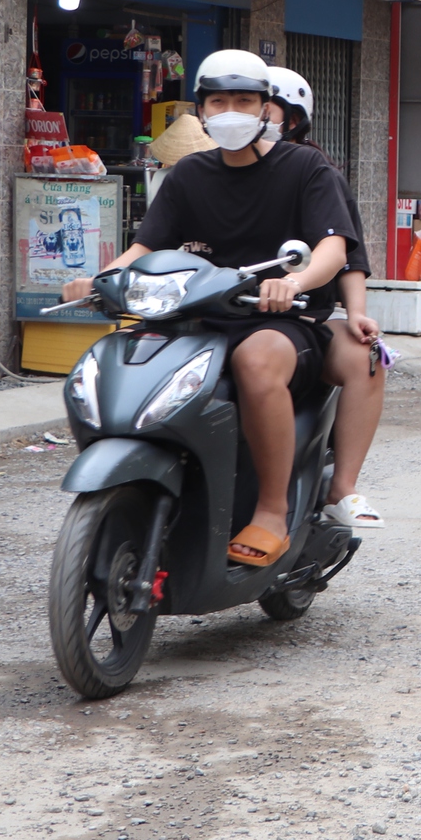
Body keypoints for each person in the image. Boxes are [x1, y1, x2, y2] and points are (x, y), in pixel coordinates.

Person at [62, 50, 357, 567]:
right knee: (125, 360)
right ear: (201, 110)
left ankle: (270, 510)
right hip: (196, 320)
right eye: (218, 101)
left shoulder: (306, 168)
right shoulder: (187, 175)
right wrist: (100, 279)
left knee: (257, 360)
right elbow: (145, 249)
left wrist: (295, 281)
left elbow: (334, 248)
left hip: (279, 321)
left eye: (244, 100)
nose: (231, 111)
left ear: (267, 109)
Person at [264, 68, 385, 531]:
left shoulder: (315, 174)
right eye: (222, 103)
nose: (242, 116)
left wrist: (356, 313)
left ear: (290, 119)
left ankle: (342, 487)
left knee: (367, 355)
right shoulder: (206, 168)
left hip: (298, 320)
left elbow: (345, 252)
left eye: (259, 106)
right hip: (216, 317)